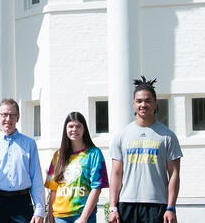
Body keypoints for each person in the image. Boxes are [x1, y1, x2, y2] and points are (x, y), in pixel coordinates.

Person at [107, 77, 182, 223]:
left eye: (148, 101)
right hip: (126, 204)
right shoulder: (122, 135)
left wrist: (171, 207)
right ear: (133, 104)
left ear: (155, 104)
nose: (143, 105)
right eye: (139, 101)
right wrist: (112, 207)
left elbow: (174, 174)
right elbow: (116, 174)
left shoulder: (168, 136)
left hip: (157, 204)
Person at [0, 98, 46, 223]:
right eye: (4, 115)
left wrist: (39, 209)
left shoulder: (29, 144)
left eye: (12, 115)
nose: (8, 119)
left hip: (22, 204)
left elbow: (36, 178)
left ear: (18, 117)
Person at [44, 112, 107, 223]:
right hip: (60, 217)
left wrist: (84, 218)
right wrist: (50, 215)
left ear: (84, 129)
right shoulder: (57, 155)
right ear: (65, 129)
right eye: (71, 126)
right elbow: (53, 189)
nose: (74, 130)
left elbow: (97, 188)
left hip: (83, 215)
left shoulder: (94, 154)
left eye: (78, 126)